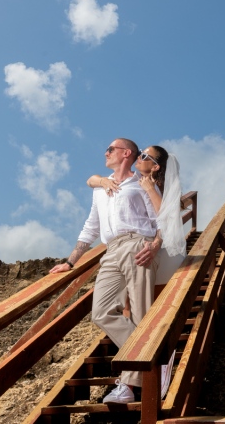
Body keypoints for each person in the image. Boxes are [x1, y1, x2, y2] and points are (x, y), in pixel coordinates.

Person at [50, 138, 161, 404]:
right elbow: (91, 226)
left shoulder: (141, 183)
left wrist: (155, 245)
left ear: (126, 153)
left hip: (138, 245)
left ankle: (128, 385)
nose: (105, 152)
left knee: (141, 314)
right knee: (100, 312)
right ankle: (153, 362)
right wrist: (70, 261)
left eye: (110, 149)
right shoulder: (100, 188)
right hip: (110, 251)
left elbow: (160, 220)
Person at [88, 145, 186, 288]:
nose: (139, 157)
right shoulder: (132, 182)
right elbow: (91, 180)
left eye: (144, 156)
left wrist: (150, 189)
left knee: (155, 301)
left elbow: (165, 218)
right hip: (137, 250)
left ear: (155, 167)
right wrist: (103, 181)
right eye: (140, 154)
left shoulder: (159, 187)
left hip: (161, 251)